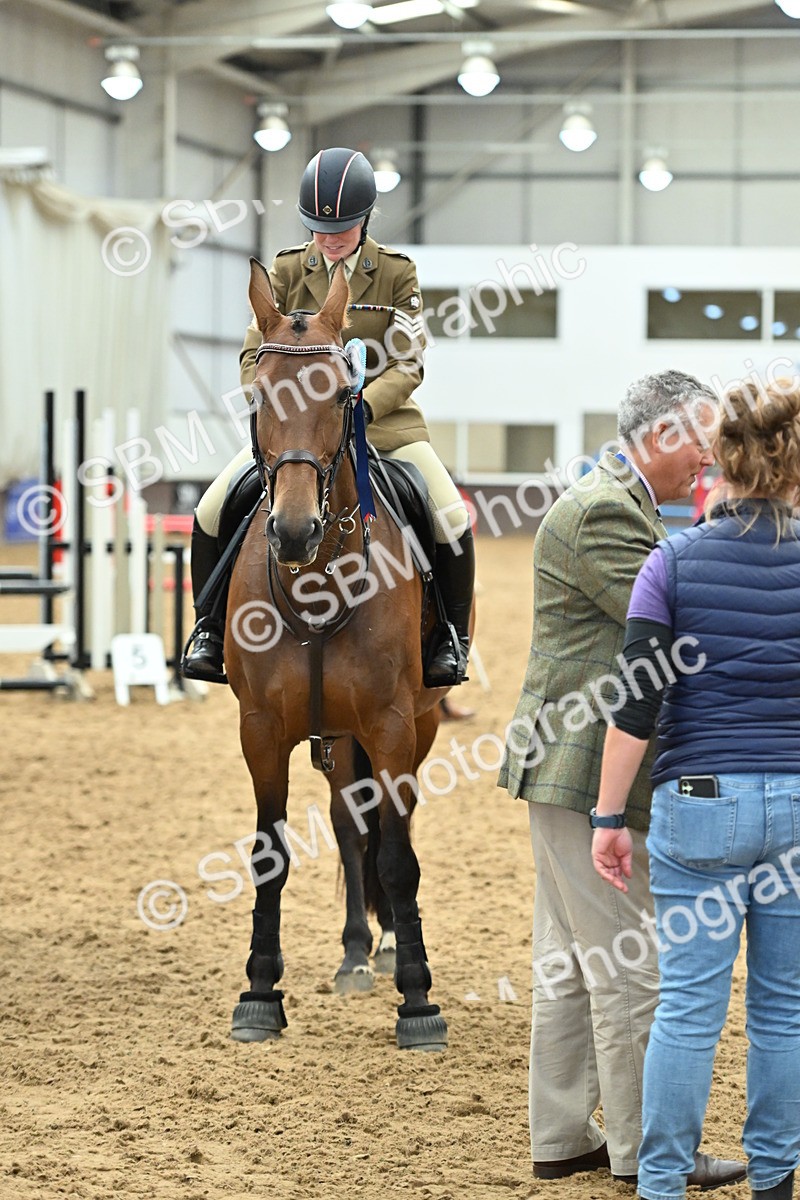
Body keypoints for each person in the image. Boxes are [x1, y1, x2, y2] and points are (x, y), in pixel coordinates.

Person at [498, 370, 743, 1188]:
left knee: (571, 964)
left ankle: (563, 1134)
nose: (708, 459)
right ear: (663, 432)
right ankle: (649, 1152)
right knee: (632, 970)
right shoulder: (606, 511)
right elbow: (683, 618)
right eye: (702, 441)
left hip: (563, 769)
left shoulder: (617, 503)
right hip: (580, 769)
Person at [592, 382, 800, 1200]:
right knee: (784, 1009)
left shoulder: (672, 561)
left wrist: (609, 816)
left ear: (722, 458)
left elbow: (635, 707)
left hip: (702, 803)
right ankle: (775, 1179)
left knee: (687, 1009)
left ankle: (662, 1182)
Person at [182, 146, 474, 689]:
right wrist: (276, 404)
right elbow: (252, 356)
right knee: (211, 509)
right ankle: (210, 630)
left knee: (450, 517)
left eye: (341, 228)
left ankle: (449, 638)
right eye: (318, 228)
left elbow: (409, 363)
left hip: (383, 425)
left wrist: (360, 403)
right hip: (297, 430)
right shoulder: (287, 269)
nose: (329, 238)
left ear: (365, 219)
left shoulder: (396, 273)